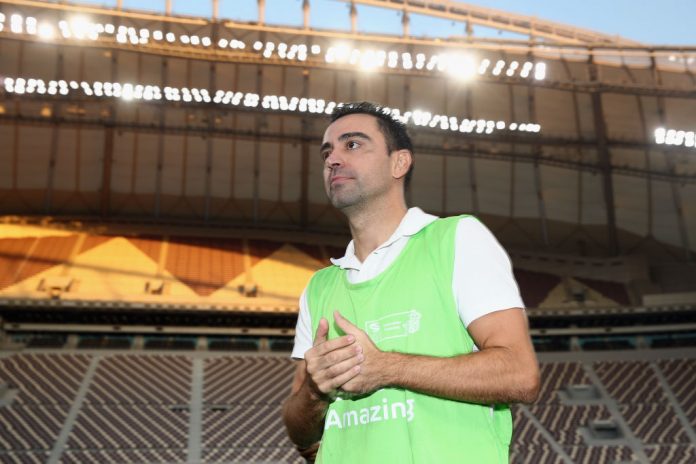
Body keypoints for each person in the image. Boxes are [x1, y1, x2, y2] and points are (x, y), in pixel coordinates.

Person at [282, 101, 540, 463]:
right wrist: (314, 390)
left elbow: (520, 374)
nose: (333, 160)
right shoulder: (319, 287)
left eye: (352, 144)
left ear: (399, 162)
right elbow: (301, 433)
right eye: (327, 152)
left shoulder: (456, 239)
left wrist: (387, 368)